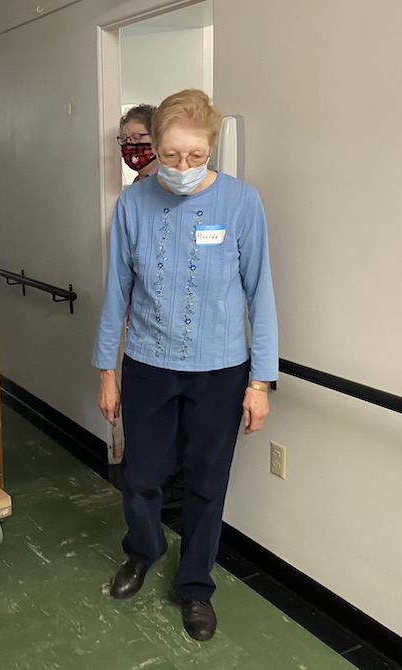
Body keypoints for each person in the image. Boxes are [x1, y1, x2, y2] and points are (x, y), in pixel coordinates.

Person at [92, 89, 278, 642]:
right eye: (171, 155)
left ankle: (195, 586)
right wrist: (108, 370)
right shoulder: (131, 205)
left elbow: (260, 292)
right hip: (148, 364)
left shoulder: (243, 203)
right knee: (141, 476)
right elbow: (115, 292)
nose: (182, 167)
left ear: (211, 149)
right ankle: (143, 550)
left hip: (221, 371)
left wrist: (260, 381)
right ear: (155, 146)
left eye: (195, 156)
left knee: (206, 481)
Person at [118, 104, 159, 183]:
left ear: (156, 139)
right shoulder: (136, 184)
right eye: (124, 139)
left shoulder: (169, 182)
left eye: (136, 137)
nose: (129, 145)